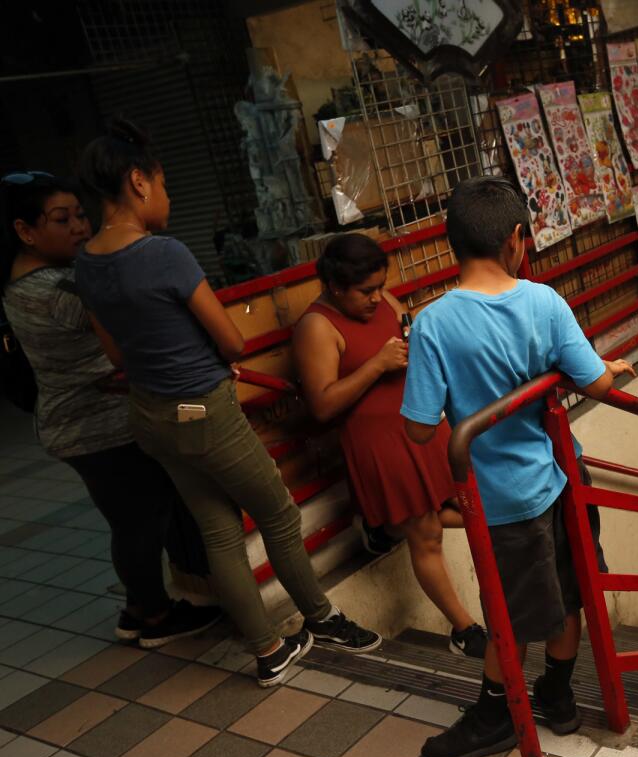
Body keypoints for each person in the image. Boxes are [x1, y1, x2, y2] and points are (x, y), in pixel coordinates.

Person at [73, 119, 381, 687]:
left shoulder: (86, 263)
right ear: (139, 183)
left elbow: (115, 351)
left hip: (150, 415)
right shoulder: (163, 254)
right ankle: (322, 618)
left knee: (218, 532)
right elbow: (233, 341)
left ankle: (267, 650)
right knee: (280, 515)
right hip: (206, 410)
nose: (166, 195)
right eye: (162, 184)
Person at [401, 176, 634, 757]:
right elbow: (598, 383)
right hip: (562, 479)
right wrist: (611, 366)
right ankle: (557, 695)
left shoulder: (433, 323)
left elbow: (420, 428)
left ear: (453, 244)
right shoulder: (545, 301)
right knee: (570, 591)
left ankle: (498, 713)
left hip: (503, 500)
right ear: (516, 240)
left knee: (510, 615)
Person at [1, 170, 221, 648]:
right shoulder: (52, 291)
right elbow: (128, 314)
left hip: (78, 424)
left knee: (132, 518)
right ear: (25, 231)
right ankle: (157, 618)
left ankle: (137, 611)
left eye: (81, 214)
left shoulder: (36, 282)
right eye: (63, 219)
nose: (80, 227)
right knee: (142, 520)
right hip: (95, 425)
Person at [294, 233, 487, 658]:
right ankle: (464, 628)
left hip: (420, 425)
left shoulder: (380, 299)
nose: (377, 298)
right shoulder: (316, 326)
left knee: (473, 506)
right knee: (428, 532)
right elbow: (322, 404)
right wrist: (376, 366)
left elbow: (407, 332)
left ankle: (384, 526)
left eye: (381, 286)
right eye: (366, 291)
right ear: (336, 286)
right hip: (382, 445)